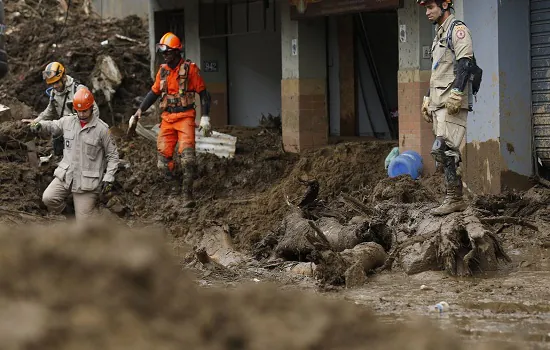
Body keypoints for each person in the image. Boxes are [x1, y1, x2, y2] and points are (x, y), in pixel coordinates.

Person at [130, 32, 212, 207]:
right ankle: (175, 190)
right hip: (167, 119)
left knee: (188, 159)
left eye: (167, 52)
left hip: (185, 118)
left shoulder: (190, 70)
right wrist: (139, 111)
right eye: (163, 53)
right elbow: (154, 93)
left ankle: (186, 195)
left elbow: (204, 94)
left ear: (176, 52)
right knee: (163, 164)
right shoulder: (163, 72)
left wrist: (205, 117)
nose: (165, 55)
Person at [418, 0, 474, 215]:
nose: (427, 12)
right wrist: (427, 99)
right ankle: (454, 197)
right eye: (425, 8)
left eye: (430, 7)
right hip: (439, 102)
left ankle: (455, 198)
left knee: (444, 148)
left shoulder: (457, 30)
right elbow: (437, 70)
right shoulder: (439, 34)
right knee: (444, 152)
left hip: (452, 103)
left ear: (444, 5)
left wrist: (458, 93)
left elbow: (465, 63)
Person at [29, 88, 119, 221]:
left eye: (84, 111)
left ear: (91, 108)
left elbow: (113, 156)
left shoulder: (102, 129)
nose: (81, 114)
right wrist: (39, 125)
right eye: (78, 111)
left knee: (83, 225)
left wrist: (109, 178)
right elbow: (53, 125)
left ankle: (86, 219)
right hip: (67, 175)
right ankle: (70, 215)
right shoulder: (68, 122)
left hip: (86, 183)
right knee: (48, 198)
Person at [22, 62, 99, 157]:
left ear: (64, 77)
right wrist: (35, 122)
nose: (54, 86)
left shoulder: (78, 90)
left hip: (81, 130)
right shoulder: (54, 93)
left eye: (57, 82)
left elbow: (94, 111)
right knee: (58, 149)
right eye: (52, 84)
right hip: (65, 129)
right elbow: (49, 111)